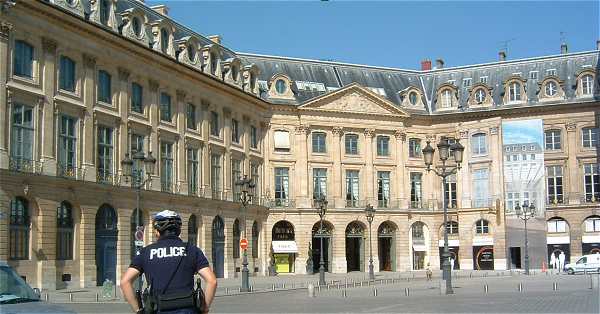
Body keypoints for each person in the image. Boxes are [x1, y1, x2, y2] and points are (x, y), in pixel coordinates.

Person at [120, 210, 217, 314]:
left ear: (157, 231)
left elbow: (125, 282)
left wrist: (138, 310)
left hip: (158, 309)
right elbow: (212, 281)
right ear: (178, 230)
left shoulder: (146, 252)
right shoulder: (192, 250)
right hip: (188, 309)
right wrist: (204, 309)